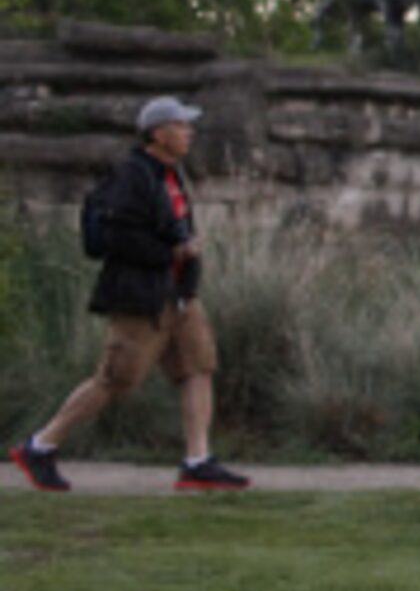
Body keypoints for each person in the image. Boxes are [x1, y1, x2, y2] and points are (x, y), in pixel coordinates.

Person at [10, 98, 250, 494]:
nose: (189, 132)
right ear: (158, 134)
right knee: (114, 379)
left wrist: (184, 263)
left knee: (198, 368)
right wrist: (174, 252)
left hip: (179, 295)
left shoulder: (170, 174)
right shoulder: (132, 176)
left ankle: (197, 462)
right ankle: (39, 446)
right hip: (141, 298)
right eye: (181, 125)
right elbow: (120, 239)